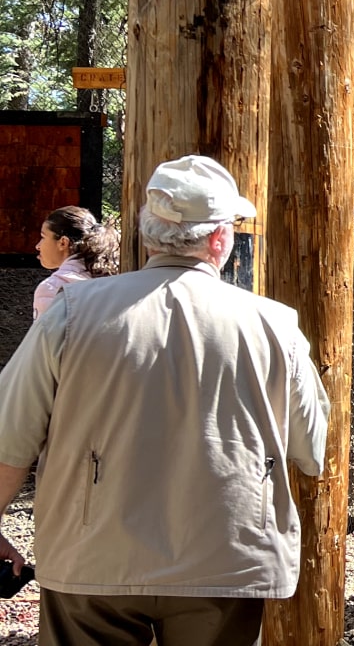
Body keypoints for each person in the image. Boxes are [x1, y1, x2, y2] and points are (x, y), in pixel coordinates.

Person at [0, 155, 331, 646]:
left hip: (91, 555)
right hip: (226, 559)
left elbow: (10, 439)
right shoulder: (274, 324)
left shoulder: (70, 312)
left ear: (147, 232)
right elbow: (311, 448)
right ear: (221, 238)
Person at [32, 205, 119, 318]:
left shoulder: (51, 288)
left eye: (43, 237)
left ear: (63, 243)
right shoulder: (113, 279)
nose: (37, 246)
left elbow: (45, 335)